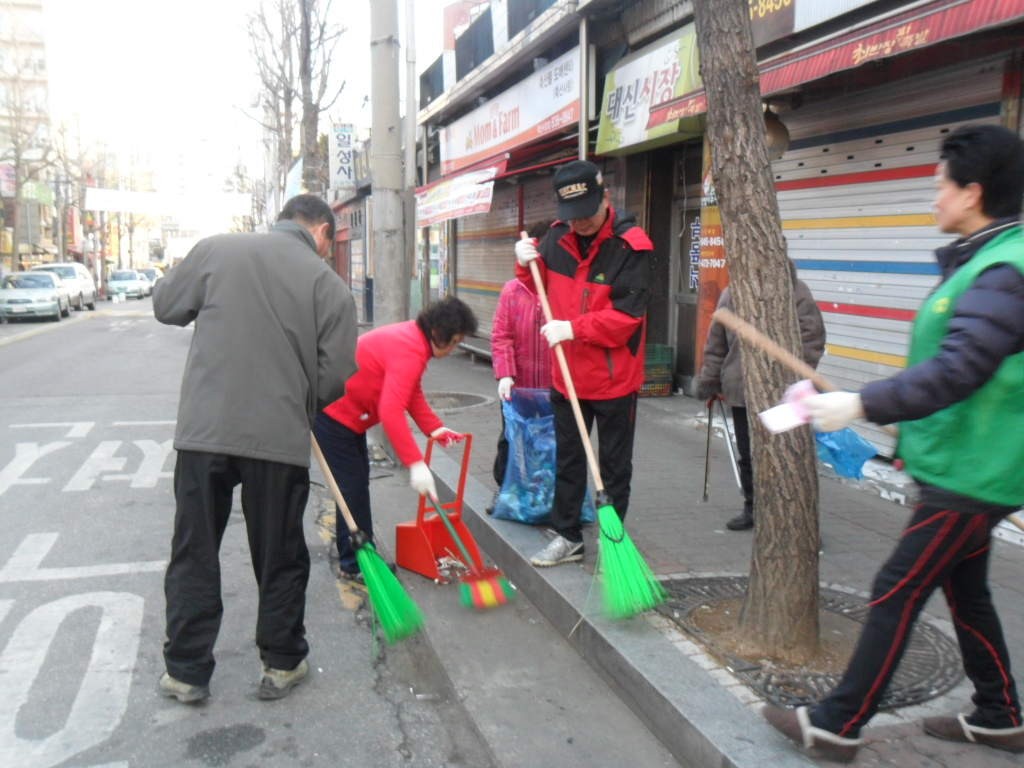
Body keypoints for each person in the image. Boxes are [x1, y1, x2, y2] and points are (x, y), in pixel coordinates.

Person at [764, 124, 1024, 761]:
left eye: (940, 184)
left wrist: (858, 402)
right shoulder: (989, 260)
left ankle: (836, 723)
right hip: (969, 468)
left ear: (973, 192)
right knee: (969, 593)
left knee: (894, 589)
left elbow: (959, 369)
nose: (933, 198)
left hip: (971, 476)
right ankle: (999, 714)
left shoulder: (1003, 272)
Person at [153, 194, 359, 703]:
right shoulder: (330, 287)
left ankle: (186, 671)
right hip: (279, 439)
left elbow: (166, 305)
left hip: (205, 434)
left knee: (194, 550)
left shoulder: (216, 250)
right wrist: (301, 394)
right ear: (323, 234)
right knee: (280, 554)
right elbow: (335, 378)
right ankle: (282, 662)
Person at [514, 159, 653, 567]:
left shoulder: (633, 246)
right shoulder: (555, 240)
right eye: (571, 217)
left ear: (606, 197)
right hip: (567, 377)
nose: (580, 224)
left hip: (615, 381)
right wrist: (524, 264)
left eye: (587, 214)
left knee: (613, 466)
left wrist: (574, 329)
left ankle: (614, 542)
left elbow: (627, 320)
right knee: (569, 460)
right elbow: (532, 288)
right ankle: (567, 536)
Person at [313, 297, 478, 581]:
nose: (453, 350)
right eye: (454, 342)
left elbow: (409, 392)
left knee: (355, 482)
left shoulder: (415, 340)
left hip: (347, 414)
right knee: (351, 487)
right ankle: (354, 563)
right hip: (334, 415)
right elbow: (391, 410)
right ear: (438, 333)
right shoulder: (411, 349)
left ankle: (360, 557)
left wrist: (435, 429)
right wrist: (415, 463)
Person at [697, 259, 825, 530]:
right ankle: (752, 507)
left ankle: (796, 520)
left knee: (790, 456)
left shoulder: (796, 291)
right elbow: (716, 342)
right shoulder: (731, 293)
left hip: (785, 395)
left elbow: (812, 338)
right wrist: (710, 380)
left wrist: (796, 381)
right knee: (748, 453)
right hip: (741, 390)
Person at [487, 220, 555, 514]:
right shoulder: (512, 292)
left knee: (551, 445)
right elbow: (501, 336)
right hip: (519, 386)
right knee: (511, 441)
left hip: (554, 388)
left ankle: (553, 498)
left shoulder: (560, 292)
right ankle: (504, 490)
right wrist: (505, 374)